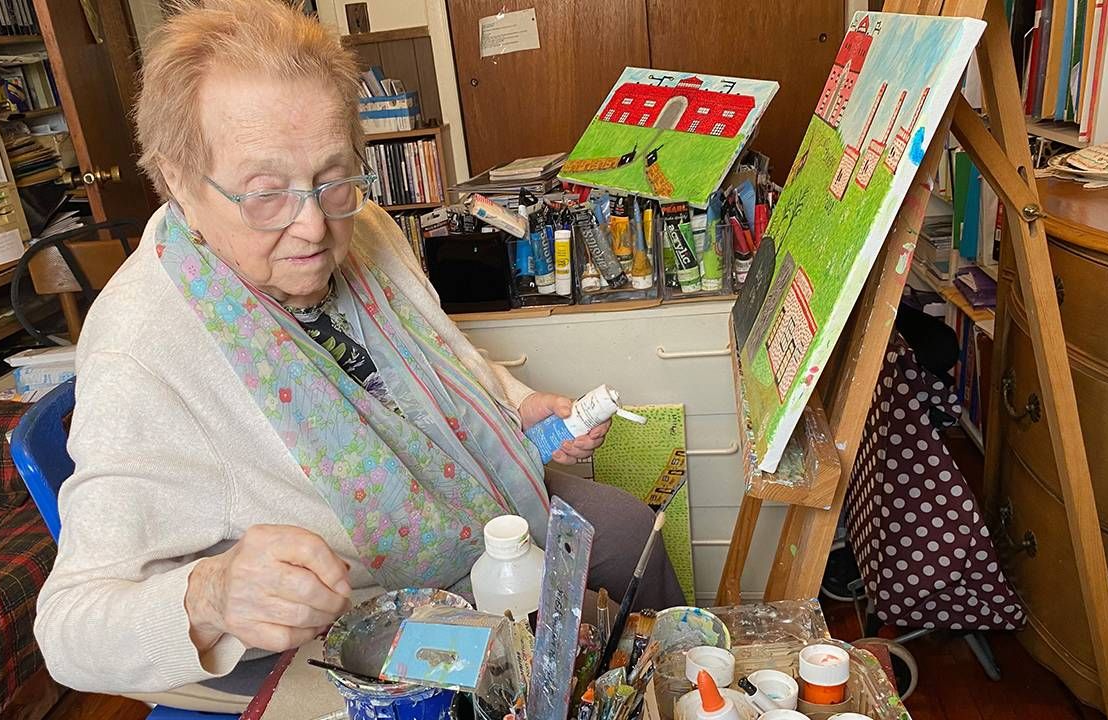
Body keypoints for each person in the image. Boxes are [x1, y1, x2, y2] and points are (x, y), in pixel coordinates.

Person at [33, 0, 683, 712]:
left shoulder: (363, 222)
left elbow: (441, 353)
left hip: (468, 492)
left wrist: (514, 402)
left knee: (627, 529)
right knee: (513, 663)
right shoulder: (142, 348)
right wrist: (212, 595)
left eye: (333, 177)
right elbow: (68, 632)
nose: (313, 224)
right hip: (357, 606)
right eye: (265, 193)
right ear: (179, 181)